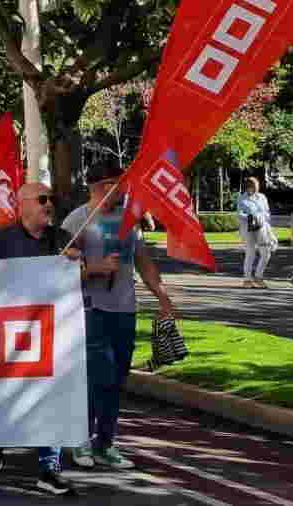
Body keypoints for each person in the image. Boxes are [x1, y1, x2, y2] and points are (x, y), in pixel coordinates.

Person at [62, 161, 176, 471]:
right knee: (99, 377)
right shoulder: (77, 221)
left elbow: (142, 259)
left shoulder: (129, 219)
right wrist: (94, 270)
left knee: (116, 381)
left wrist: (161, 294)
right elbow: (59, 268)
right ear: (100, 187)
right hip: (91, 309)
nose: (125, 189)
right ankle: (80, 439)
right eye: (118, 184)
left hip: (125, 309)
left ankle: (105, 444)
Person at [0, 183, 80, 497]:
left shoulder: (62, 239)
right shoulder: (1, 239)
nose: (49, 205)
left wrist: (77, 265)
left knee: (53, 397)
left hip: (52, 334)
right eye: (43, 199)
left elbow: (75, 281)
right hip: (10, 335)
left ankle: (50, 468)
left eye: (52, 199)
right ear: (23, 205)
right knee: (9, 397)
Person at [236, 177, 277, 288]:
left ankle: (258, 276)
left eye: (256, 186)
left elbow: (267, 212)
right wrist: (251, 216)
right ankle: (247, 280)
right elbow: (239, 214)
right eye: (253, 186)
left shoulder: (262, 197)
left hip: (262, 228)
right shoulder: (241, 198)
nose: (255, 188)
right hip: (248, 228)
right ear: (248, 186)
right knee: (250, 253)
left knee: (266, 252)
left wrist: (261, 218)